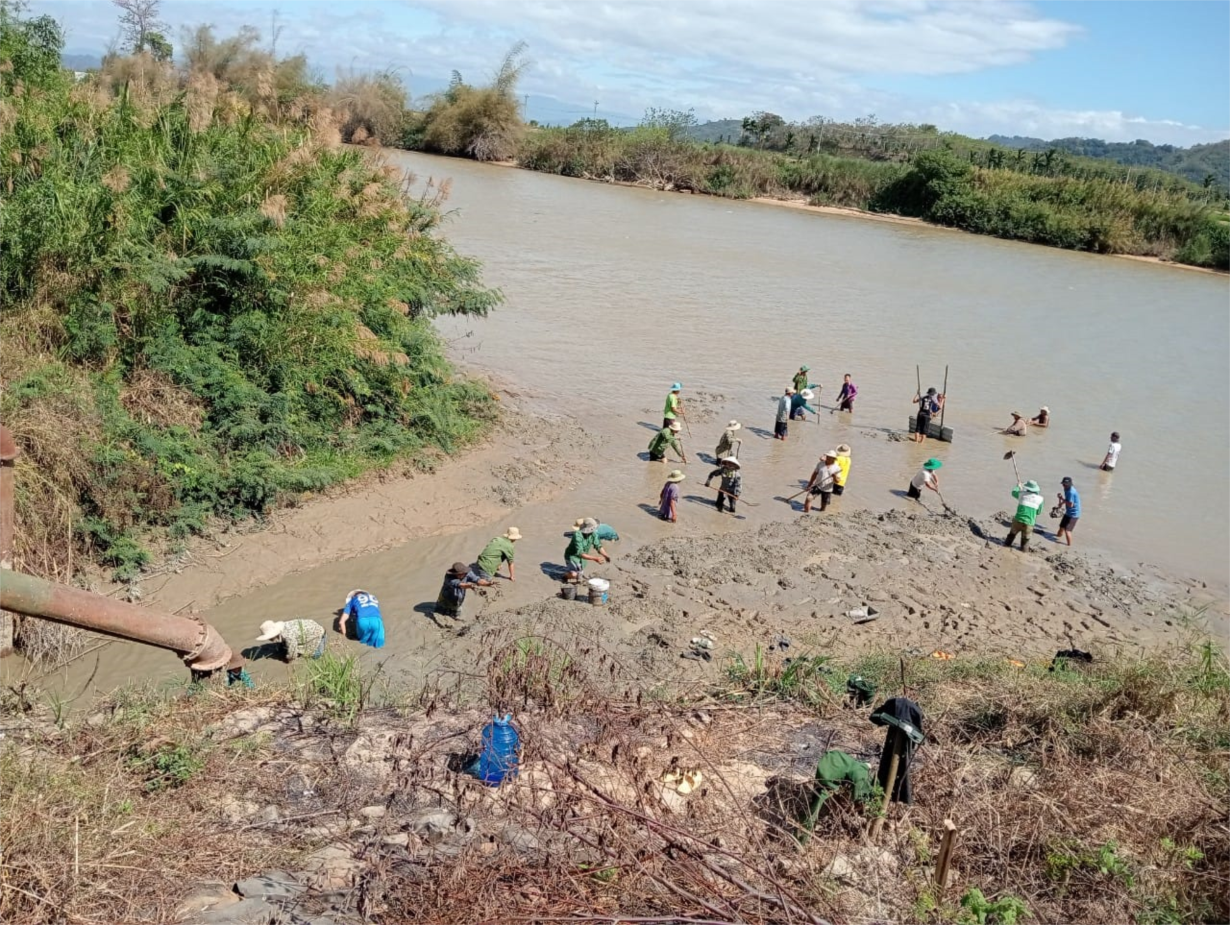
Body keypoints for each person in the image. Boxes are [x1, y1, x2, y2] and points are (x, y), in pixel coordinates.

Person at [256, 618, 327, 661]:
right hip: (311, 627)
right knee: (286, 645)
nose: (269, 640)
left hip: (319, 634)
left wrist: (287, 658)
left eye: (270, 638)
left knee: (316, 655)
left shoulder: (288, 636)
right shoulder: (283, 626)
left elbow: (292, 655)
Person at [1005, 480, 1044, 551]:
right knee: (1026, 540)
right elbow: (1038, 512)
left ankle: (1005, 546)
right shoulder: (1040, 499)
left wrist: (1018, 486)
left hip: (1018, 520)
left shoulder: (1021, 494)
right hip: (1029, 523)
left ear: (1027, 488)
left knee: (1011, 535)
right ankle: (1024, 551)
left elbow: (1013, 493)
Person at [1056, 476, 1080, 546]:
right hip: (1068, 512)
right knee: (1061, 527)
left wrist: (1062, 499)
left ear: (1070, 484)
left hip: (1074, 514)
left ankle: (1069, 546)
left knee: (1067, 531)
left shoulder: (1071, 492)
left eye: (1065, 485)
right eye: (1063, 484)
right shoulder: (1066, 489)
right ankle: (1057, 539)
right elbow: (1067, 500)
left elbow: (1070, 504)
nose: (1064, 486)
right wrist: (1061, 502)